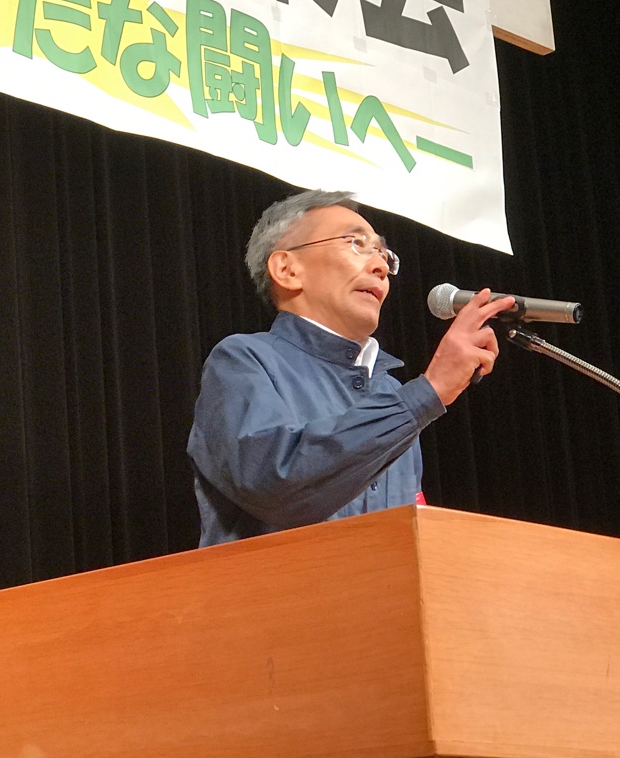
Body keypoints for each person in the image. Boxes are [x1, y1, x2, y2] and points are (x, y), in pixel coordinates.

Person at [188, 189, 514, 546]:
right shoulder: (243, 360)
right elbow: (275, 484)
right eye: (356, 244)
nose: (380, 267)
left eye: (383, 254)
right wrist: (428, 391)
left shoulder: (389, 389)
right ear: (287, 269)